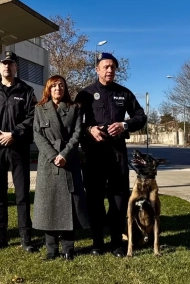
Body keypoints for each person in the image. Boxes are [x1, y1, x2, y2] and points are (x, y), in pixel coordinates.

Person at [75, 52, 147, 257]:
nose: (109, 70)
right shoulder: (85, 94)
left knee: (118, 199)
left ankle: (117, 243)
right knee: (95, 200)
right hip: (93, 155)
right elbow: (74, 123)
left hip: (117, 155)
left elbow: (141, 116)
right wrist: (89, 130)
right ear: (97, 69)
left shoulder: (124, 94)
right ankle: (97, 242)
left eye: (112, 67)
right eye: (105, 67)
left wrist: (124, 125)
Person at [0, 50, 38, 253]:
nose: (7, 66)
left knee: (22, 195)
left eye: (11, 63)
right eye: (4, 63)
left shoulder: (26, 91)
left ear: (16, 67)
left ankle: (25, 237)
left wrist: (15, 134)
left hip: (18, 148)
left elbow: (32, 117)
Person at [32, 75, 90, 261]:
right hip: (48, 164)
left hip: (69, 162)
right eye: (54, 86)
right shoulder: (40, 109)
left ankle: (68, 248)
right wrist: (52, 155)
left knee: (69, 207)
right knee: (49, 207)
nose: (58, 89)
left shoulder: (74, 109)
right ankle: (51, 249)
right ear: (48, 89)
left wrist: (64, 155)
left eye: (61, 85)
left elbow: (78, 133)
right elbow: (37, 135)